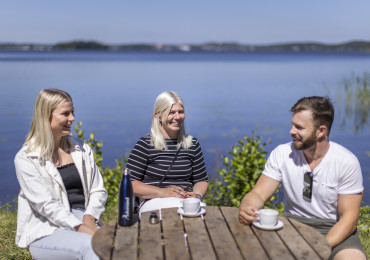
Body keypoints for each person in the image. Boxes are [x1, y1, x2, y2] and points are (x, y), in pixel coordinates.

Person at [239, 96, 366, 260]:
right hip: (292, 224)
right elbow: (258, 194)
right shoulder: (282, 154)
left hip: (333, 228)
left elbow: (349, 220)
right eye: (292, 124)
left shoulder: (346, 162)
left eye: (299, 127)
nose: (291, 131)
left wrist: (319, 247)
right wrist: (248, 206)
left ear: (321, 131)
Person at [14, 89, 107, 260]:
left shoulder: (81, 148)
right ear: (45, 116)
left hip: (82, 217)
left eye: (72, 112)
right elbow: (46, 206)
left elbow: (98, 190)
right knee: (91, 246)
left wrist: (89, 217)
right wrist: (81, 228)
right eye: (65, 113)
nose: (72, 118)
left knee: (111, 247)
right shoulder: (26, 158)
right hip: (45, 229)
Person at [126, 91, 208, 213]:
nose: (177, 117)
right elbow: (129, 183)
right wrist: (162, 192)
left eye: (180, 112)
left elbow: (201, 180)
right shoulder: (145, 144)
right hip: (154, 203)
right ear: (158, 115)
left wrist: (197, 196)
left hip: (186, 203)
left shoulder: (192, 144)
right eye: (171, 112)